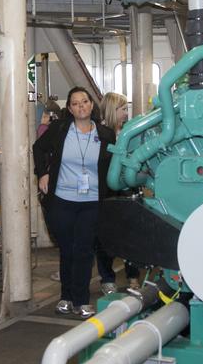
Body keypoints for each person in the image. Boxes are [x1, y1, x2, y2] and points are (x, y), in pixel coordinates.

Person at [33, 86, 116, 318]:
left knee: (84, 251)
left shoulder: (105, 134)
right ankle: (66, 297)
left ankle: (81, 300)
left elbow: (112, 165)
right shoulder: (60, 129)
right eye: (75, 103)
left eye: (85, 102)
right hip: (62, 200)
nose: (81, 106)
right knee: (67, 249)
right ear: (70, 108)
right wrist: (42, 173)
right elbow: (38, 148)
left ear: (92, 105)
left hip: (92, 201)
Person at [94, 92, 140, 293]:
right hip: (106, 192)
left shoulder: (130, 132)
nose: (126, 113)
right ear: (113, 110)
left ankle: (133, 276)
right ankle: (107, 278)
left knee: (131, 234)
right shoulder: (99, 133)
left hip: (128, 189)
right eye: (123, 109)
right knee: (105, 236)